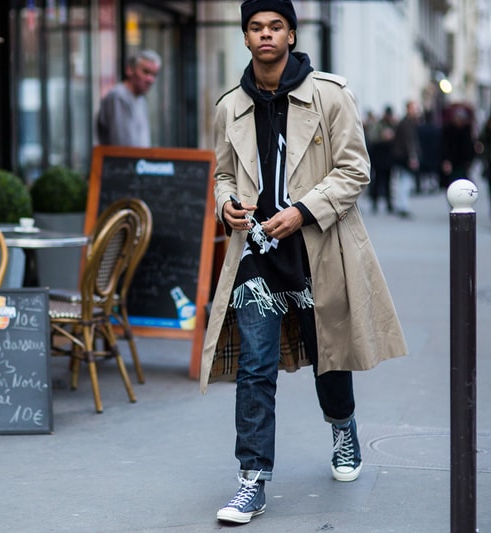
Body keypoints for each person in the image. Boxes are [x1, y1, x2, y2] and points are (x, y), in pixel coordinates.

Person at [200, 0, 408, 525]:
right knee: (255, 366)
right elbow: (223, 174)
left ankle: (343, 428)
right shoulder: (230, 107)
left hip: (319, 247)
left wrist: (303, 211)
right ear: (245, 37)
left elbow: (354, 170)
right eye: (255, 27)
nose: (265, 35)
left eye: (275, 26)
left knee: (328, 357)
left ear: (290, 35)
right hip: (257, 254)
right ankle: (252, 480)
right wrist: (227, 204)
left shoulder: (330, 96)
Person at [96, 49, 161, 147]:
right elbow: (123, 146)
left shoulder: (141, 99)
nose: (150, 79)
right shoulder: (119, 96)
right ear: (130, 70)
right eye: (145, 72)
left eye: (154, 74)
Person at [392, 100, 422, 218]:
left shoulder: (408, 122)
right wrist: (412, 156)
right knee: (405, 182)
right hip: (404, 157)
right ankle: (403, 206)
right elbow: (409, 141)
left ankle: (402, 205)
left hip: (402, 156)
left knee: (403, 181)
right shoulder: (406, 123)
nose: (416, 111)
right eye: (414, 109)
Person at [367, 106, 397, 213]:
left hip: (388, 158)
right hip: (379, 158)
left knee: (388, 182)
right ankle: (375, 202)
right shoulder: (378, 125)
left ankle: (389, 203)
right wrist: (383, 137)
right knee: (377, 181)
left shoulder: (392, 125)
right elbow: (372, 138)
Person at [440, 105, 476, 187]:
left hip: (463, 162)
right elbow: (444, 146)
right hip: (452, 161)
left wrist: (470, 159)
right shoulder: (448, 130)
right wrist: (446, 160)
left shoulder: (466, 130)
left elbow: (469, 146)